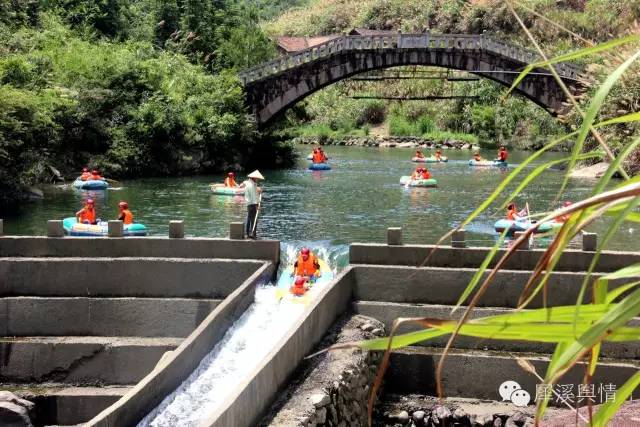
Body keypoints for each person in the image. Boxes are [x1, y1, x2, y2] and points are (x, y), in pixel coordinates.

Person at [239, 170, 264, 239]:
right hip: (252, 204)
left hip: (248, 204)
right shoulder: (252, 186)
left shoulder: (247, 182)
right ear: (254, 178)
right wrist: (257, 206)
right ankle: (253, 234)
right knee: (254, 220)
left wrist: (257, 189)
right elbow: (254, 198)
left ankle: (247, 233)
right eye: (257, 178)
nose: (258, 180)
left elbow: (242, 184)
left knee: (249, 219)